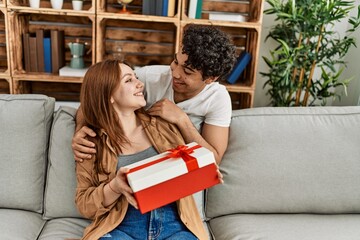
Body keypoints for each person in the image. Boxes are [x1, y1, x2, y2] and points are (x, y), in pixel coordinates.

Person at [76, 59, 221, 240]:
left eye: (136, 78)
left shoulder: (163, 126)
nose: (140, 84)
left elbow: (190, 164)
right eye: (129, 80)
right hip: (121, 226)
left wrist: (204, 172)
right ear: (108, 95)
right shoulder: (89, 144)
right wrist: (115, 187)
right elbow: (85, 205)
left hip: (175, 226)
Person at [72, 24, 236, 165]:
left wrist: (182, 120)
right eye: (175, 62)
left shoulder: (217, 99)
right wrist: (80, 130)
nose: (175, 73)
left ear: (210, 78)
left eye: (187, 71)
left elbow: (214, 159)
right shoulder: (148, 78)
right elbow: (96, 98)